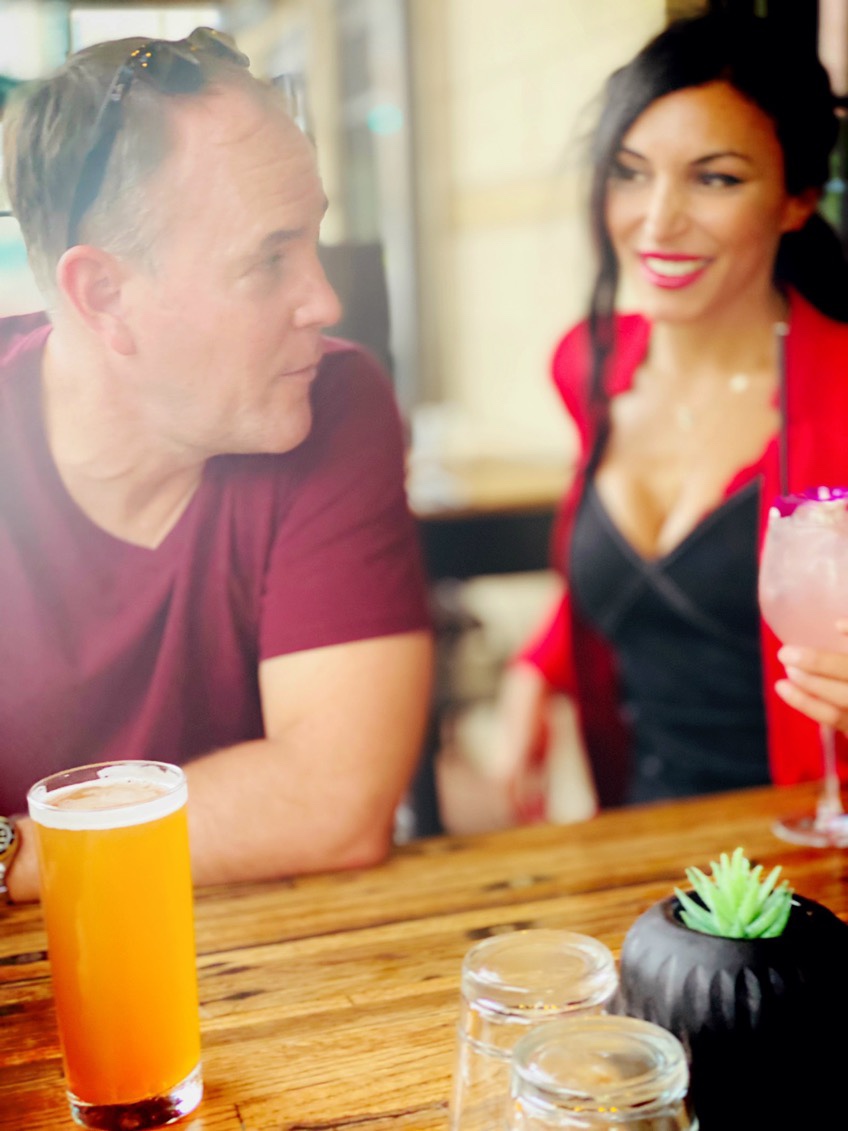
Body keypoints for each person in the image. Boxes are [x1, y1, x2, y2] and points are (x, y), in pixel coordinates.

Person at [0, 29, 433, 903]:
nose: (325, 300)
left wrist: (11, 853)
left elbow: (333, 799)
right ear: (105, 297)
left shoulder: (332, 399)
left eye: (312, 240)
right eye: (269, 259)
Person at [498, 12, 848, 817]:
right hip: (640, 836)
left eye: (714, 179)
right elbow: (633, 575)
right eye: (630, 173)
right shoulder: (587, 361)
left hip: (812, 848)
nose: (657, 221)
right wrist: (536, 667)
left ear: (797, 199)